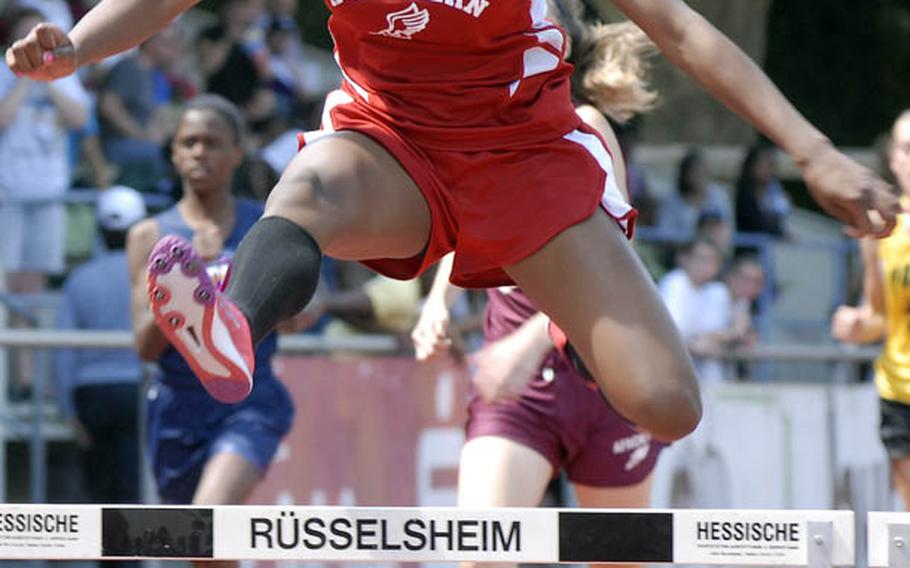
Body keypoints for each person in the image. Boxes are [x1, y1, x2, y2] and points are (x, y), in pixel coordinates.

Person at [10, 0, 898, 444]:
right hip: (391, 145)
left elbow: (683, 32)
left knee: (666, 406)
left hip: (525, 161)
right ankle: (233, 324)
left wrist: (811, 149)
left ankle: (578, 329)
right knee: (309, 189)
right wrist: (77, 45)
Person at [125, 96, 295, 540]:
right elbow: (144, 346)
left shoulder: (267, 225)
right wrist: (182, 291)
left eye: (213, 143)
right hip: (175, 406)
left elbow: (300, 315)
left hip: (248, 400)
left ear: (237, 152)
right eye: (189, 142)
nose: (200, 152)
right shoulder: (149, 236)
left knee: (209, 518)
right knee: (201, 546)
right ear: (175, 153)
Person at [832, 109, 910, 508]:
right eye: (908, 150)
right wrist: (856, 325)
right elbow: (879, 316)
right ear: (894, 158)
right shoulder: (882, 227)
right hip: (899, 390)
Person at [54, 186, 147, 512]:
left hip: (90, 396)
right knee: (135, 488)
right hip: (141, 389)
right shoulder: (152, 278)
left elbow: (62, 350)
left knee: (101, 491)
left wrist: (68, 410)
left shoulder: (79, 279)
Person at [657, 148, 733, 238]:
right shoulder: (671, 200)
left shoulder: (720, 196)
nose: (698, 176)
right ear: (684, 175)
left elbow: (728, 229)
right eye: (693, 172)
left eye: (701, 170)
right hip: (681, 250)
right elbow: (664, 234)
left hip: (716, 249)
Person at [735, 143, 791, 239]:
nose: (770, 170)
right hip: (750, 248)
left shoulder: (774, 190)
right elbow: (756, 225)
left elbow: (781, 218)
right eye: (766, 164)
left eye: (772, 165)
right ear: (752, 166)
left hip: (772, 247)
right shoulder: (744, 194)